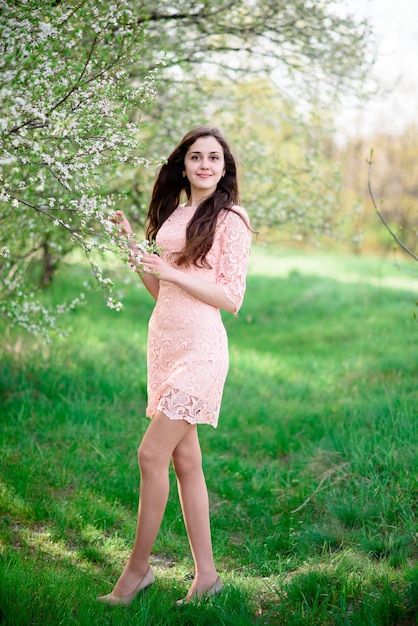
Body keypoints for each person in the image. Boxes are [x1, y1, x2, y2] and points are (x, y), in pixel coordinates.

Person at [97, 126, 252, 607]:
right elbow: (161, 289)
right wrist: (130, 248)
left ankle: (136, 572)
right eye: (195, 157)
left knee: (151, 456)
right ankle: (207, 578)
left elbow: (231, 298)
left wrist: (172, 271)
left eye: (214, 157)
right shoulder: (177, 213)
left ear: (224, 167)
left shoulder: (232, 218)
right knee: (186, 461)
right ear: (183, 165)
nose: (205, 164)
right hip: (164, 344)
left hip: (203, 349)